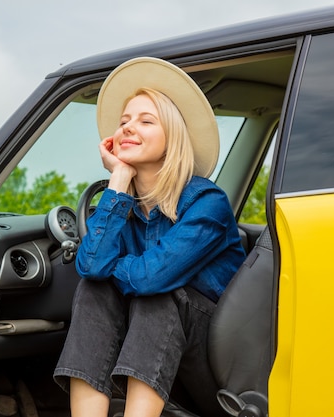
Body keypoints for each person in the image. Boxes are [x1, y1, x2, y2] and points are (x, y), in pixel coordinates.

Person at [53, 57, 246, 417]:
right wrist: (118, 182)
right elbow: (92, 268)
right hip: (152, 358)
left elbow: (151, 278)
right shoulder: (120, 205)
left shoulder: (207, 202)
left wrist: (120, 266)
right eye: (124, 121)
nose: (127, 128)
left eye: (145, 121)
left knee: (159, 295)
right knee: (95, 290)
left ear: (172, 137)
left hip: (216, 364)